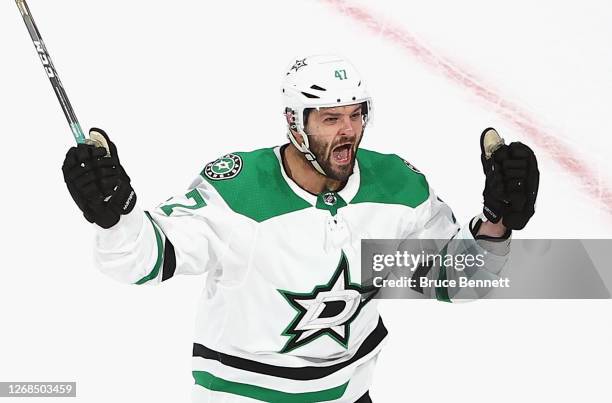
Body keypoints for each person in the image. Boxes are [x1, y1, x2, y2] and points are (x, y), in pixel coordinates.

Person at [62, 55, 539, 402]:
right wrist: (116, 217)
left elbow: (459, 282)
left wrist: (496, 224)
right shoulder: (237, 191)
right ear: (295, 124)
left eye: (355, 115)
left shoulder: (398, 187)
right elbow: (141, 260)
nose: (347, 131)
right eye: (331, 118)